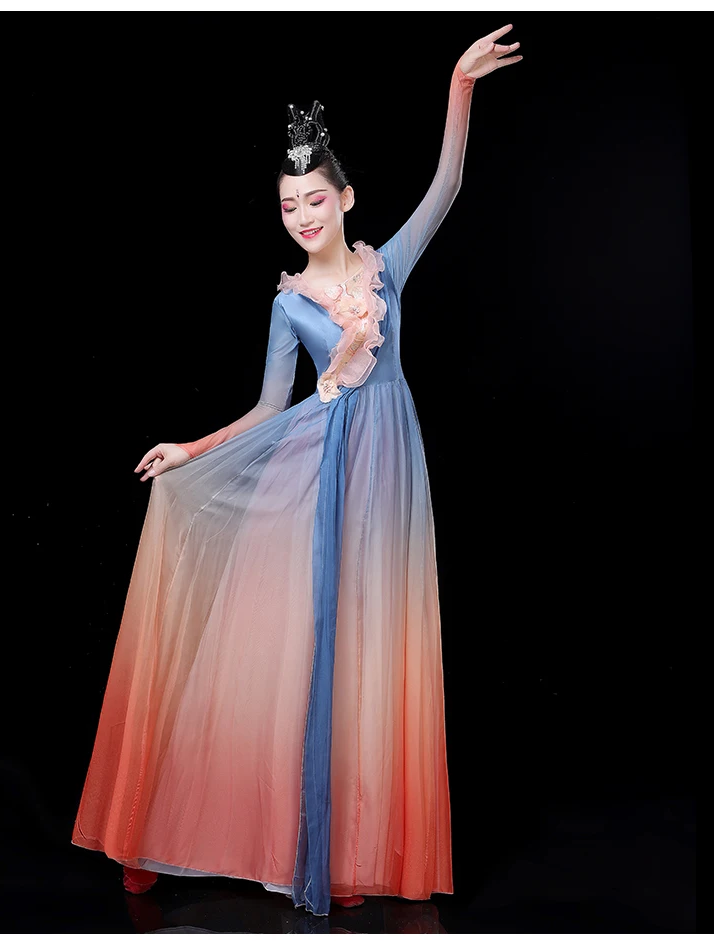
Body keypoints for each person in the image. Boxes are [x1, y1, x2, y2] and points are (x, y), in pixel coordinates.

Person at [71, 24, 522, 918]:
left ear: (346, 198)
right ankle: (192, 831)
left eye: (316, 198)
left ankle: (352, 848)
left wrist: (459, 86)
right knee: (303, 647)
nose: (304, 215)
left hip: (390, 470)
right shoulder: (288, 304)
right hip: (318, 470)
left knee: (374, 645)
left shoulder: (386, 268)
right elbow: (267, 410)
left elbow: (448, 186)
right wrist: (193, 450)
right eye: (289, 205)